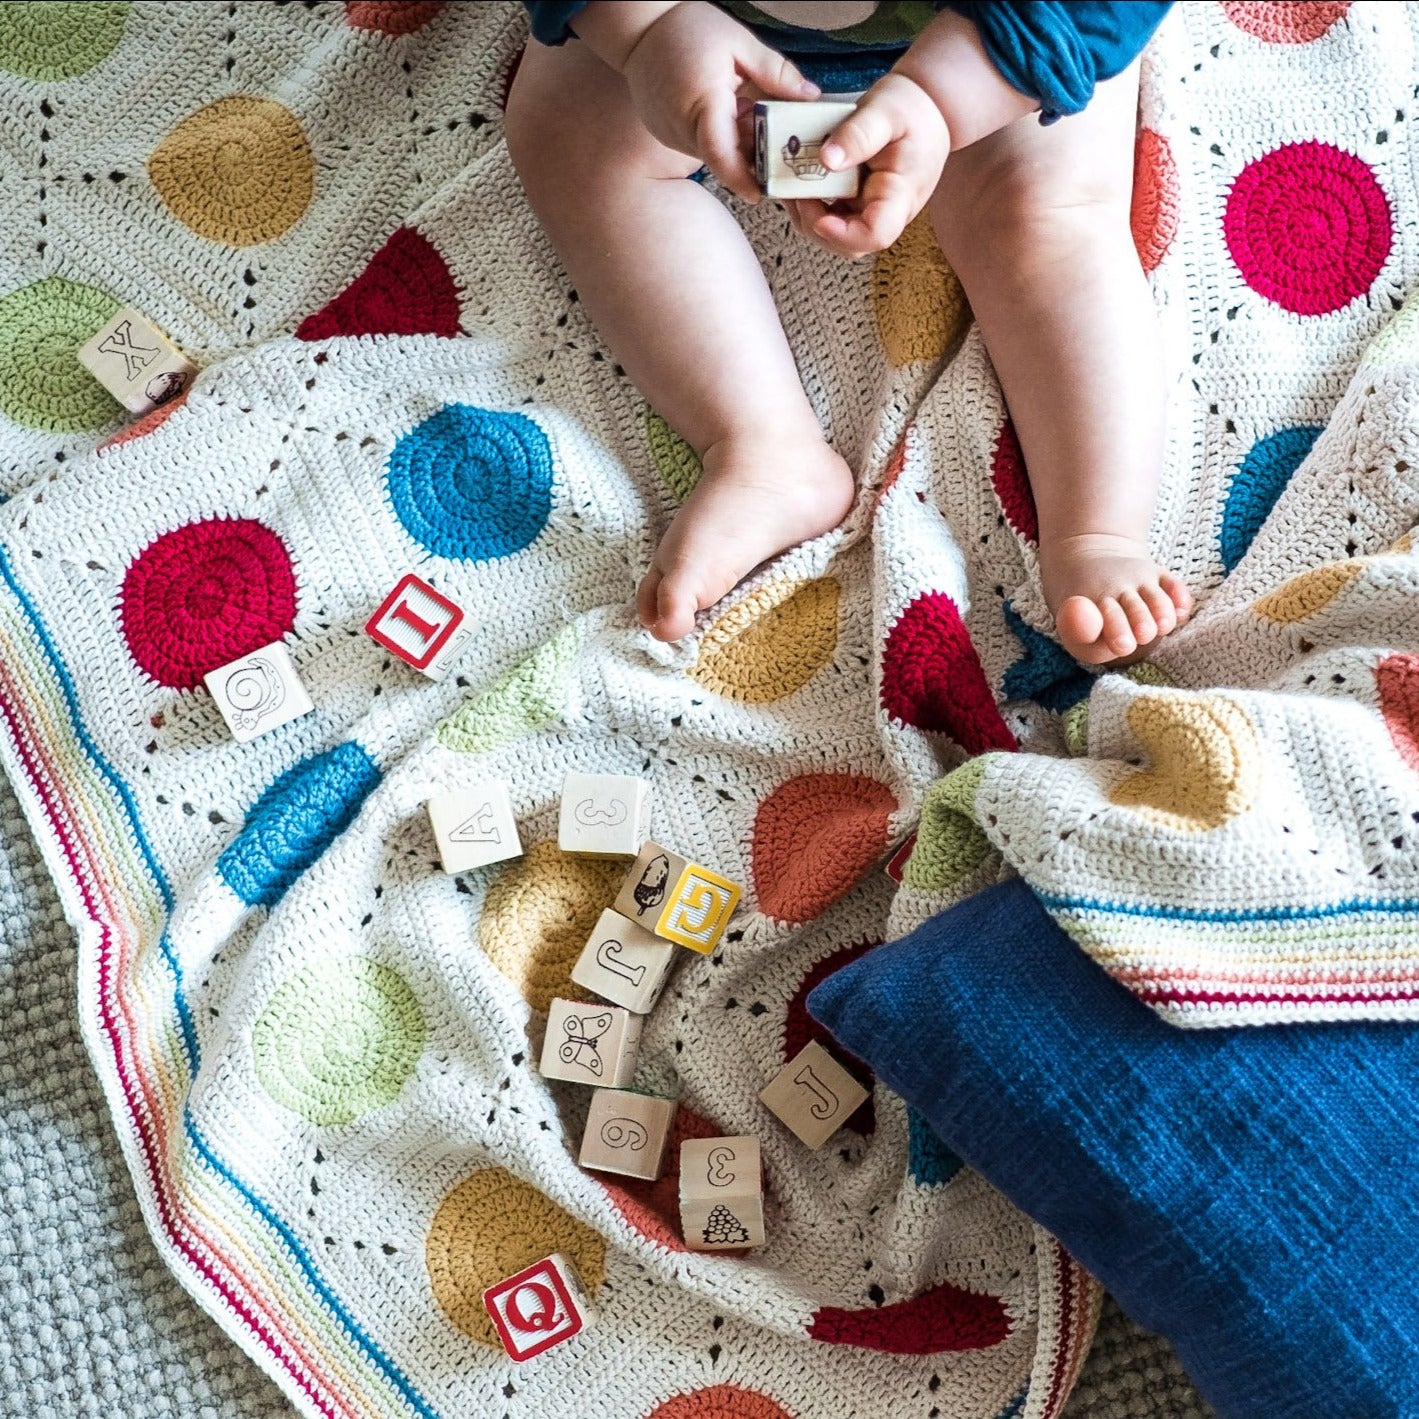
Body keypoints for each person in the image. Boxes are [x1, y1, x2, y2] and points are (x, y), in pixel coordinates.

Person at [507, 1, 1191, 664]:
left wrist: (941, 99)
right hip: (691, 25)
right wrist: (645, 29)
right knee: (568, 136)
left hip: (1004, 40)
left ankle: (1096, 529)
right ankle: (764, 449)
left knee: (1044, 214)